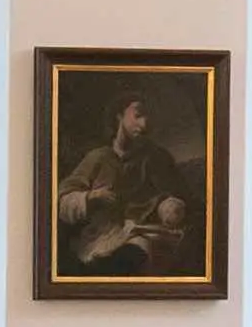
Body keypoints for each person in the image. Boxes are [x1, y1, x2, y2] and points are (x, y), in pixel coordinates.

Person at [58, 88, 199, 278]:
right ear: (119, 116)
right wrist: (90, 197)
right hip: (98, 239)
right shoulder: (98, 157)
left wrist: (170, 206)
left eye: (148, 118)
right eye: (138, 115)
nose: (144, 123)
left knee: (138, 254)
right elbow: (63, 199)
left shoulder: (157, 157)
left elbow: (181, 197)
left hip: (143, 234)